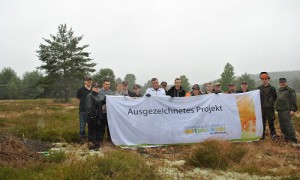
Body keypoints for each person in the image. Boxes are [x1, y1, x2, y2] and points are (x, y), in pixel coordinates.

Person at [275, 78, 298, 144]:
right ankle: (287, 138)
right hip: (280, 111)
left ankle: (293, 139)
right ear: (279, 83)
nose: (282, 83)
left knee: (289, 125)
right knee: (283, 126)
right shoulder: (278, 90)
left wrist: (293, 110)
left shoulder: (290, 90)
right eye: (281, 82)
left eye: (284, 82)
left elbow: (293, 100)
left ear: (286, 82)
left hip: (287, 111)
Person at [257, 72, 277, 140]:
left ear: (268, 80)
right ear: (261, 80)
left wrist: (270, 104)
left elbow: (275, 97)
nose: (264, 80)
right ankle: (262, 134)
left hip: (270, 108)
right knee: (262, 121)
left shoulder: (272, 88)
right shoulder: (258, 88)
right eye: (263, 79)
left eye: (266, 79)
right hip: (262, 108)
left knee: (271, 121)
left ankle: (273, 134)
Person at [85, 83, 103, 150]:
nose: (97, 89)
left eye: (98, 87)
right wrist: (92, 116)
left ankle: (96, 144)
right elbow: (89, 107)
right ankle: (91, 145)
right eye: (96, 87)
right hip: (92, 118)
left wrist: (105, 100)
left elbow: (99, 104)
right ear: (92, 88)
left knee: (97, 131)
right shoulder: (90, 95)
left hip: (97, 117)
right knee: (91, 131)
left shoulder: (97, 96)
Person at [76, 76, 92, 143]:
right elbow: (78, 98)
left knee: (90, 126)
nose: (89, 82)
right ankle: (81, 140)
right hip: (82, 111)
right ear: (84, 81)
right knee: (82, 126)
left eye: (90, 80)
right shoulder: (80, 90)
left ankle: (90, 139)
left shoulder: (93, 89)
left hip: (91, 111)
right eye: (87, 80)